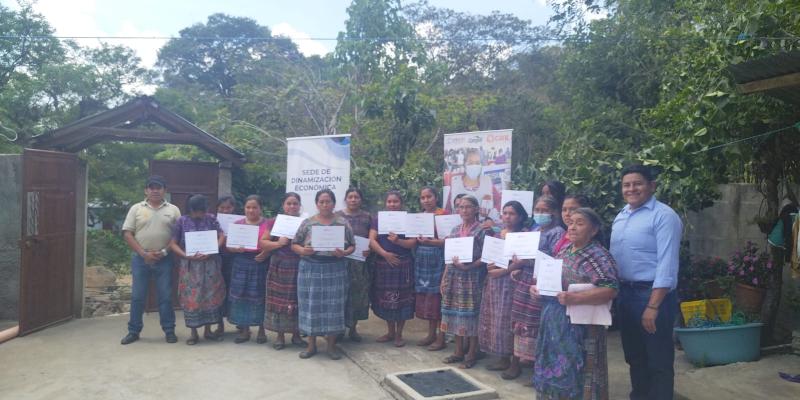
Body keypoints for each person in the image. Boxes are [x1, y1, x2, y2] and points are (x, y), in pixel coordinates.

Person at [610, 164, 682, 400]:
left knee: (658, 359)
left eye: (637, 184)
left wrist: (653, 306)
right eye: (626, 185)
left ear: (651, 186)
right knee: (635, 356)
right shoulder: (621, 216)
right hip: (626, 294)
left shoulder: (664, 216)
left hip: (651, 296)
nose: (631, 189)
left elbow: (667, 264)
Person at [532, 207, 619, 399]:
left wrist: (575, 298)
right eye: (570, 223)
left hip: (581, 328)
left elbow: (611, 289)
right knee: (553, 369)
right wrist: (538, 290)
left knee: (578, 374)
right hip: (554, 324)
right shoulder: (565, 250)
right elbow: (553, 282)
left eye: (579, 223)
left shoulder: (598, 256)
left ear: (593, 230)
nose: (572, 227)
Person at [505, 195, 566, 379]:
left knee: (536, 324)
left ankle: (536, 368)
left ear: (554, 212)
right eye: (537, 210)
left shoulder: (557, 233)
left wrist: (526, 261)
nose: (540, 213)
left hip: (542, 282)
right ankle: (515, 362)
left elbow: (554, 259)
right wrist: (518, 265)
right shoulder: (534, 229)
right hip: (524, 280)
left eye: (544, 210)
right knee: (518, 321)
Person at [292, 189, 355, 360]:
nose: (325, 205)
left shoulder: (342, 223)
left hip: (335, 269)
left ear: (334, 204)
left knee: (334, 306)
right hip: (311, 269)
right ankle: (311, 345)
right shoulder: (307, 223)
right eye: (321, 202)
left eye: (328, 201)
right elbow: (294, 244)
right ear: (316, 204)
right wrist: (303, 250)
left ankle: (331, 346)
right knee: (311, 306)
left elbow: (352, 245)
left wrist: (344, 252)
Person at [120, 175, 181, 345]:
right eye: (151, 187)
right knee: (138, 297)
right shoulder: (136, 209)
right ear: (146, 190)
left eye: (158, 187)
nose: (155, 190)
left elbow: (178, 235)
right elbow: (127, 234)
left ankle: (169, 331)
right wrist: (143, 254)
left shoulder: (173, 210)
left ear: (164, 190)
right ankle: (133, 331)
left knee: (165, 297)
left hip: (165, 259)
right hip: (141, 259)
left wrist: (164, 251)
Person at [168, 194, 226, 345]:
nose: (200, 214)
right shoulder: (182, 221)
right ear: (190, 209)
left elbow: (221, 236)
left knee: (210, 296)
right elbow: (172, 243)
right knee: (191, 298)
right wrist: (185, 255)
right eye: (197, 211)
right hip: (190, 267)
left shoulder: (211, 219)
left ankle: (208, 330)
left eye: (202, 210)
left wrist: (213, 250)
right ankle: (193, 333)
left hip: (210, 265)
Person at [479, 201, 527, 372]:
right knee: (498, 320)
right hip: (495, 283)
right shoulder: (497, 233)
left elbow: (524, 261)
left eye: (512, 213)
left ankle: (515, 362)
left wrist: (504, 270)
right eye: (505, 213)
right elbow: (490, 256)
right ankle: (503, 358)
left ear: (520, 216)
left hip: (513, 282)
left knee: (511, 321)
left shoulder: (525, 235)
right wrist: (490, 267)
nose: (507, 217)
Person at [440, 195, 487, 369]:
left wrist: (469, 267)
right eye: (461, 207)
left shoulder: (482, 231)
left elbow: (486, 256)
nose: (464, 210)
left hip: (472, 278)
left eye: (468, 207)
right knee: (454, 313)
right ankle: (458, 351)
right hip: (454, 277)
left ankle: (472, 353)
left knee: (471, 315)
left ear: (476, 209)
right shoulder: (454, 230)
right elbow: (449, 258)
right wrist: (444, 278)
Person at [369, 190, 417, 347]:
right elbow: (372, 240)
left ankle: (399, 334)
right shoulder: (378, 219)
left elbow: (412, 243)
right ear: (385, 203)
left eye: (395, 201)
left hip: (403, 264)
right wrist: (385, 254)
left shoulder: (408, 220)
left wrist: (398, 241)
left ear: (401, 203)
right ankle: (390, 332)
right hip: (384, 263)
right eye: (389, 201)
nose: (392, 204)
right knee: (386, 298)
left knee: (403, 299)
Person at [262, 193, 306, 350]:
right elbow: (263, 243)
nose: (292, 206)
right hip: (279, 266)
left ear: (299, 206)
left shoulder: (305, 223)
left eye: (295, 203)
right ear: (283, 205)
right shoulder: (274, 222)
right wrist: (278, 243)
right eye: (289, 203)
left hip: (299, 266)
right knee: (278, 301)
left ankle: (296, 335)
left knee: (297, 300)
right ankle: (280, 337)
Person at [227, 195, 270, 344]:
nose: (251, 210)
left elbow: (274, 244)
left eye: (254, 207)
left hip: (260, 262)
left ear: (260, 209)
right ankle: (245, 330)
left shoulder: (267, 224)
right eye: (248, 207)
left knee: (260, 296)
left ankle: (262, 330)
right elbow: (228, 246)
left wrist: (266, 253)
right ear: (244, 208)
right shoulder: (237, 224)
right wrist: (235, 249)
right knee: (241, 297)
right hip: (241, 263)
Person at [335, 187, 373, 342]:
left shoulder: (367, 217)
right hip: (340, 261)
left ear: (361, 200)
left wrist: (369, 249)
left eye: (356, 197)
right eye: (350, 197)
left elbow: (372, 238)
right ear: (345, 199)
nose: (353, 200)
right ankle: (338, 329)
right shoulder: (337, 216)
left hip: (359, 263)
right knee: (340, 295)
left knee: (357, 295)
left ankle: (353, 329)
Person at [414, 186, 448, 351]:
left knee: (438, 297)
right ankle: (431, 334)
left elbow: (450, 240)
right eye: (423, 197)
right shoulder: (419, 217)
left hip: (438, 259)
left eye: (429, 197)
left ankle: (441, 337)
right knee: (428, 298)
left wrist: (431, 242)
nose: (426, 200)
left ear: (436, 198)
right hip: (422, 260)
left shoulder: (444, 215)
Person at [447, 148, 502, 222]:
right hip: (460, 226)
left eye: (477, 163)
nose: (474, 166)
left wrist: (490, 217)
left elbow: (500, 202)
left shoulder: (487, 182)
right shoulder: (455, 183)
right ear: (464, 164)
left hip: (483, 225)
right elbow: (448, 209)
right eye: (470, 163)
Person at [214, 195, 237, 336]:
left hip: (235, 259)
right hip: (218, 259)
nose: (225, 210)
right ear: (217, 208)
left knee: (235, 291)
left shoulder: (240, 221)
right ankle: (219, 325)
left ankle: (241, 323)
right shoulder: (212, 221)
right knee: (219, 292)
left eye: (228, 207)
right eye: (222, 208)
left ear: (233, 208)